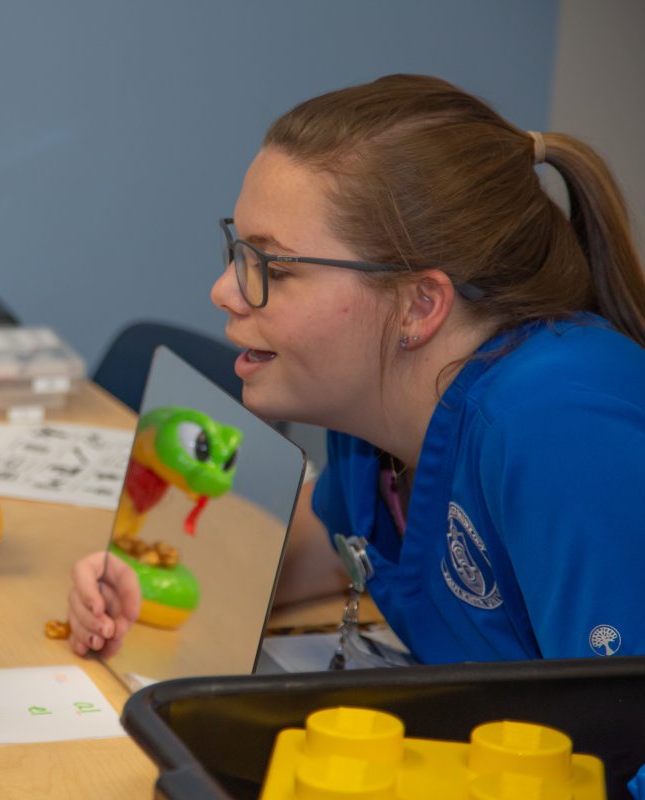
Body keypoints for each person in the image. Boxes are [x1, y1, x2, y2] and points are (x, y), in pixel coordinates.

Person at [68, 73, 645, 665]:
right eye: (238, 252)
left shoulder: (562, 429)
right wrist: (137, 579)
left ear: (419, 305)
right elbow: (312, 551)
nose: (223, 291)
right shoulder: (371, 416)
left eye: (275, 267)